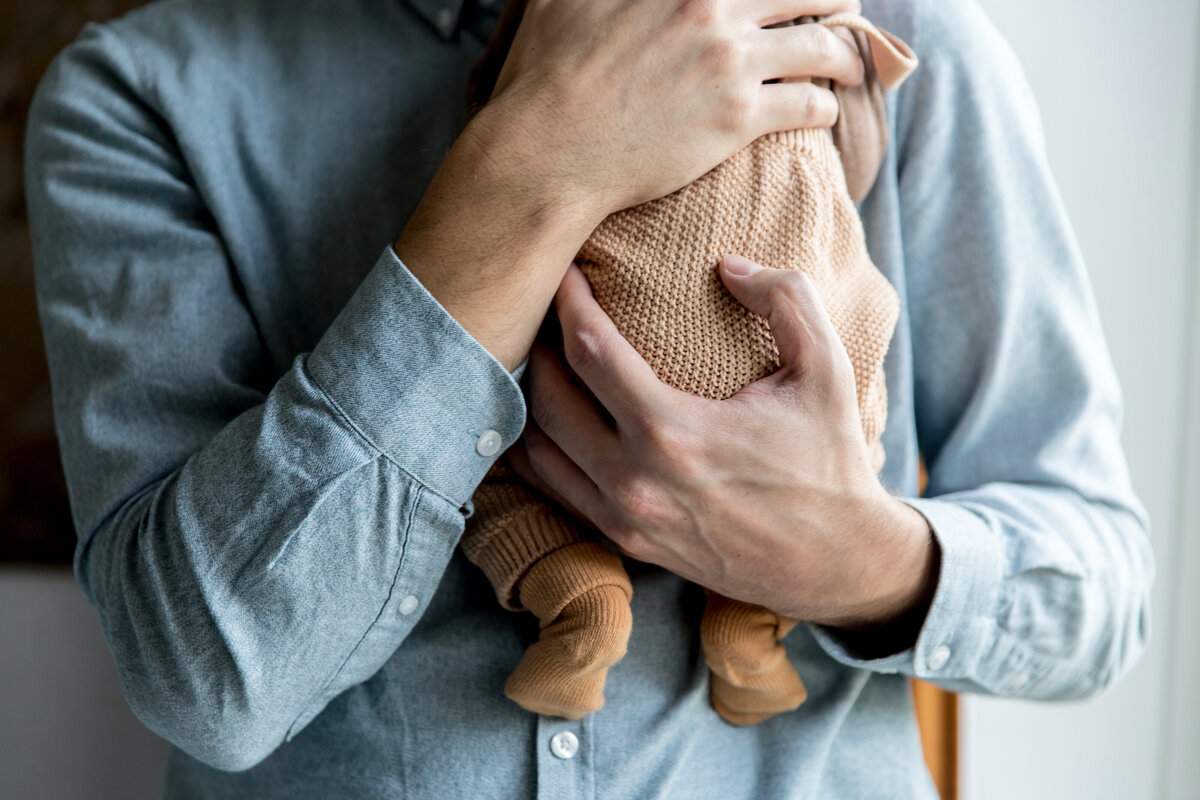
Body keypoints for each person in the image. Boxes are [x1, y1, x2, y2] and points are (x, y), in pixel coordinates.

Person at [23, 0, 1153, 797]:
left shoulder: (894, 37)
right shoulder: (144, 97)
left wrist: (852, 562)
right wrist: (540, 152)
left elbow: (1101, 585)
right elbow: (210, 677)